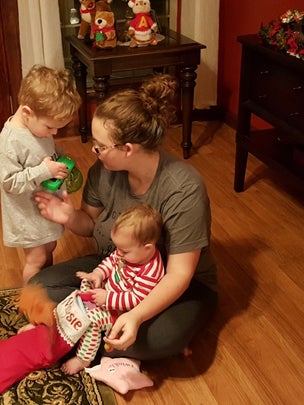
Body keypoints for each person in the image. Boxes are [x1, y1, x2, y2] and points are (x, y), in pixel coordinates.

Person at [31, 73, 218, 361]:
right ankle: (104, 330)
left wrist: (137, 315)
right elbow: (91, 225)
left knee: (153, 340)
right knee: (37, 288)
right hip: (118, 267)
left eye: (100, 146)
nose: (94, 152)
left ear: (128, 149)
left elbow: (180, 273)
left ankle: (92, 330)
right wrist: (69, 217)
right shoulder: (102, 171)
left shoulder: (183, 188)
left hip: (177, 284)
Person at [0, 65, 82, 283]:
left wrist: (60, 157)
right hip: (26, 214)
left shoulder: (37, 126)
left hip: (44, 207)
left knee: (50, 247)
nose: (53, 133)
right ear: (27, 113)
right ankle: (31, 301)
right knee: (36, 258)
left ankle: (47, 285)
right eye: (50, 128)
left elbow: (44, 150)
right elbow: (9, 182)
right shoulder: (10, 142)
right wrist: (44, 171)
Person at [61, 203, 165, 374]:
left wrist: (108, 298)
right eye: (118, 248)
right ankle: (69, 320)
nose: (119, 253)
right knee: (84, 287)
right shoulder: (126, 250)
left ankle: (84, 358)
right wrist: (98, 274)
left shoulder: (151, 271)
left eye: (124, 251)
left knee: (93, 322)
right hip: (109, 291)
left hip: (121, 312)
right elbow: (111, 261)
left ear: (148, 248)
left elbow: (136, 299)